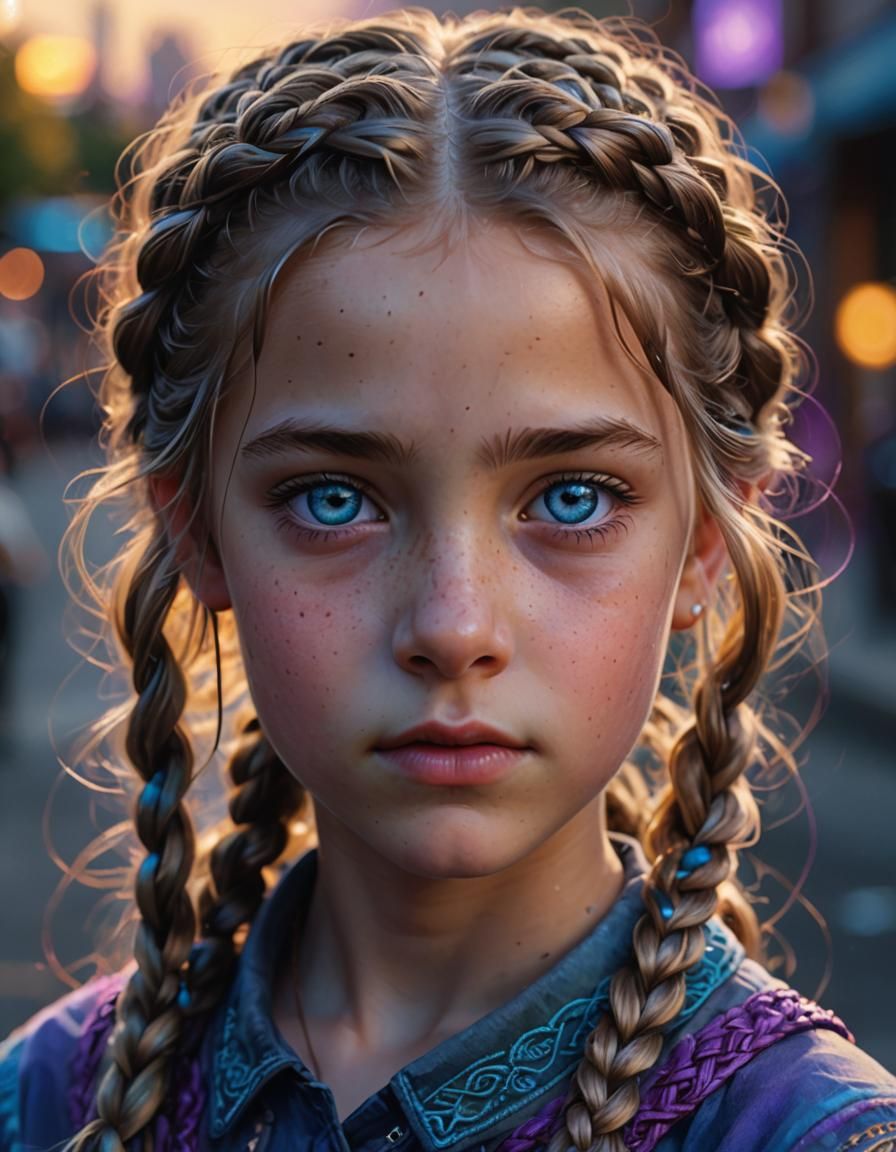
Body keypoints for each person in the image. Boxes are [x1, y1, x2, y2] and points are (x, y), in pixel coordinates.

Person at [2, 7, 895, 1151]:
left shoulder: (811, 1134)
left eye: (571, 497)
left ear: (708, 539)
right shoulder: (45, 1106)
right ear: (198, 532)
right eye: (334, 499)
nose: (452, 625)